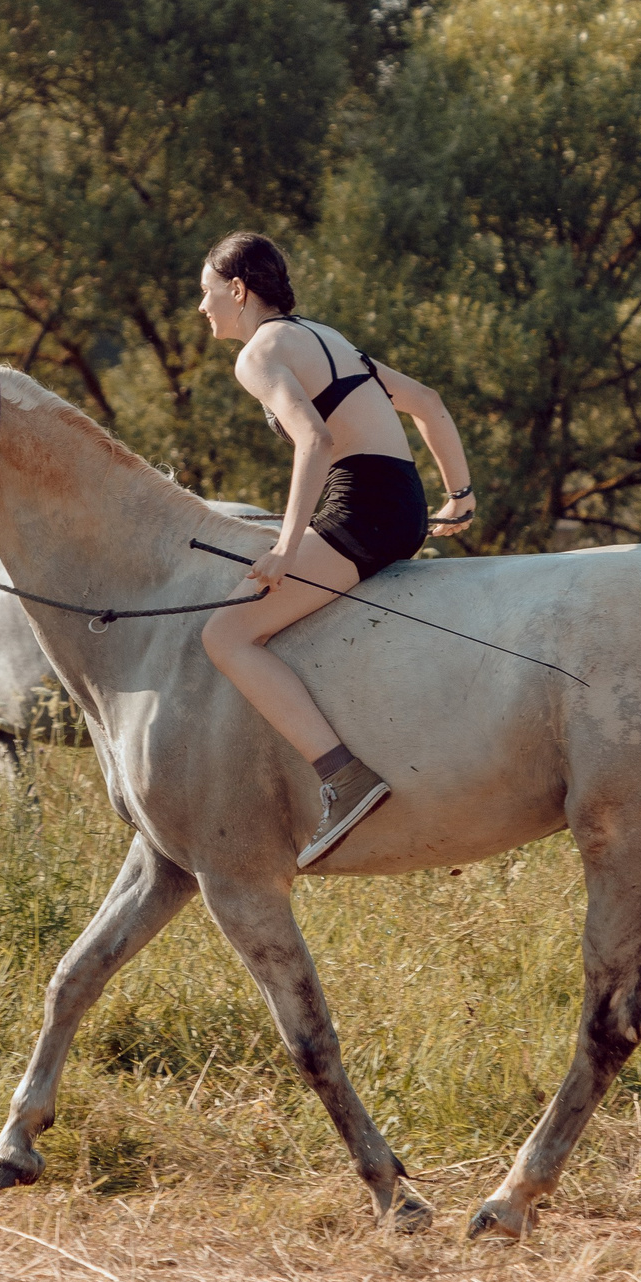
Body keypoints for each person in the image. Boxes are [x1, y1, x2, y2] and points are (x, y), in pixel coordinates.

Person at [195, 232, 475, 866]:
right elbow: (426, 403)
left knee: (226, 636)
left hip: (364, 511)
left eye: (206, 292)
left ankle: (344, 780)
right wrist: (460, 495)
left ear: (238, 290)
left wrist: (287, 549)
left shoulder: (259, 354)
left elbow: (314, 442)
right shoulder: (327, 337)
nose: (202, 307)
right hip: (399, 503)